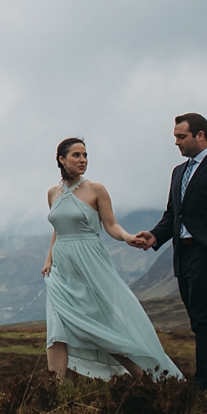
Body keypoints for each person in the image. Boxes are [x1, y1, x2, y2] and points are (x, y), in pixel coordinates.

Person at [42, 137, 182, 381]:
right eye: (76, 155)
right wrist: (49, 259)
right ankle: (53, 392)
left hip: (89, 264)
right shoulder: (53, 193)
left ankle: (151, 381)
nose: (83, 160)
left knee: (102, 325)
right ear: (61, 160)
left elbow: (111, 225)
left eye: (85, 155)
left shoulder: (97, 189)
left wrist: (128, 237)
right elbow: (58, 228)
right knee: (57, 326)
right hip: (61, 269)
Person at [131, 112, 207, 390]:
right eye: (175, 137)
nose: (176, 142)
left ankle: (202, 384)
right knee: (201, 321)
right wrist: (155, 236)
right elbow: (173, 215)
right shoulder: (178, 172)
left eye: (181, 137)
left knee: (203, 318)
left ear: (200, 136)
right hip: (182, 256)